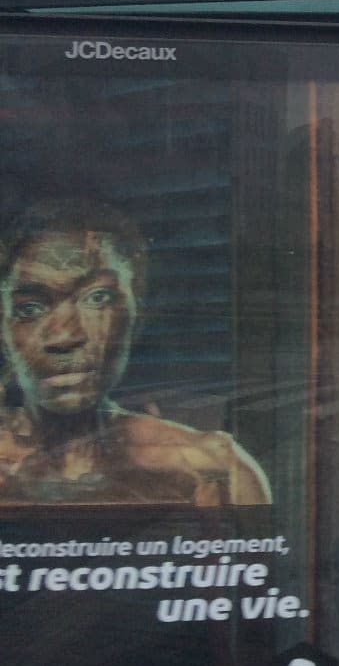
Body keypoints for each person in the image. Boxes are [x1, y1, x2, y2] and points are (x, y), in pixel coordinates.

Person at [0, 199, 271, 507]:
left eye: (98, 297)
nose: (64, 336)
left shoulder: (209, 469)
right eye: (29, 308)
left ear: (138, 311)